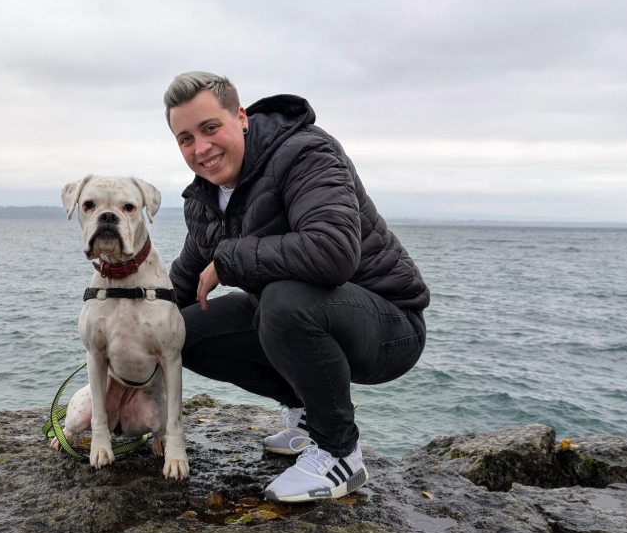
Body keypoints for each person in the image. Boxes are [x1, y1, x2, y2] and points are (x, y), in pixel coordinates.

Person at [164, 72, 430, 502]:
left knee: (284, 300)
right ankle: (306, 415)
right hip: (291, 315)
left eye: (211, 128)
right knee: (179, 332)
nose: (201, 148)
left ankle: (339, 450)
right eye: (185, 139)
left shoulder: (306, 152)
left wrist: (229, 259)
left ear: (241, 117)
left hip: (388, 325)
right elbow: (181, 283)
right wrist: (119, 359)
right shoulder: (208, 198)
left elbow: (333, 251)